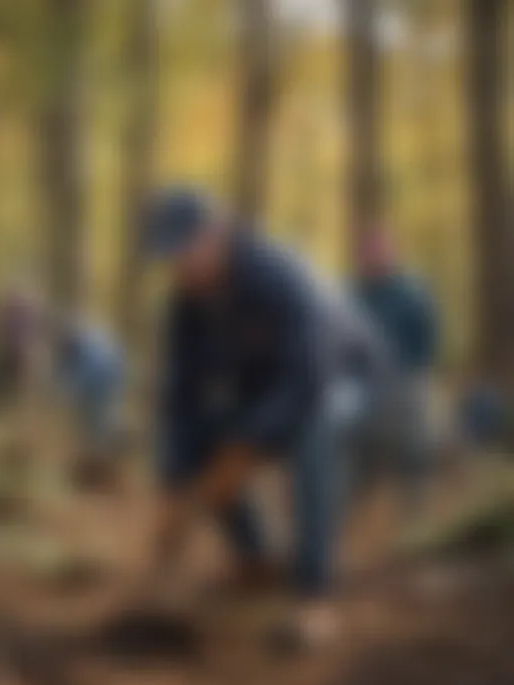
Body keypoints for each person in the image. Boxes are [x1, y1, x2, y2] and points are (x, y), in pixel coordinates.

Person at [145, 188, 388, 644]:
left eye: (187, 251)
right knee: (210, 443)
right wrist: (173, 482)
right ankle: (254, 560)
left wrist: (247, 447)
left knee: (313, 438)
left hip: (342, 374)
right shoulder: (186, 305)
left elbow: (308, 379)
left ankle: (315, 598)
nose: (180, 267)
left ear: (216, 234)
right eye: (170, 257)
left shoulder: (280, 277)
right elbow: (182, 398)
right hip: (272, 382)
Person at [353, 227, 440, 520]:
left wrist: (413, 374)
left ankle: (415, 517)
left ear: (393, 254)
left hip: (406, 380)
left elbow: (428, 338)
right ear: (362, 257)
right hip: (362, 384)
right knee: (360, 450)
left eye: (381, 251)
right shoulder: (353, 292)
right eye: (370, 252)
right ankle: (354, 515)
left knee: (413, 451)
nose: (375, 257)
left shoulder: (413, 292)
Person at [54, 317, 127, 489]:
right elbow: (62, 372)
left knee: (100, 422)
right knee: (90, 423)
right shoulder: (70, 347)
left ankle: (103, 468)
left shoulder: (91, 350)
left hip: (108, 376)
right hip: (104, 374)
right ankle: (93, 463)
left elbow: (84, 380)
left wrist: (71, 393)